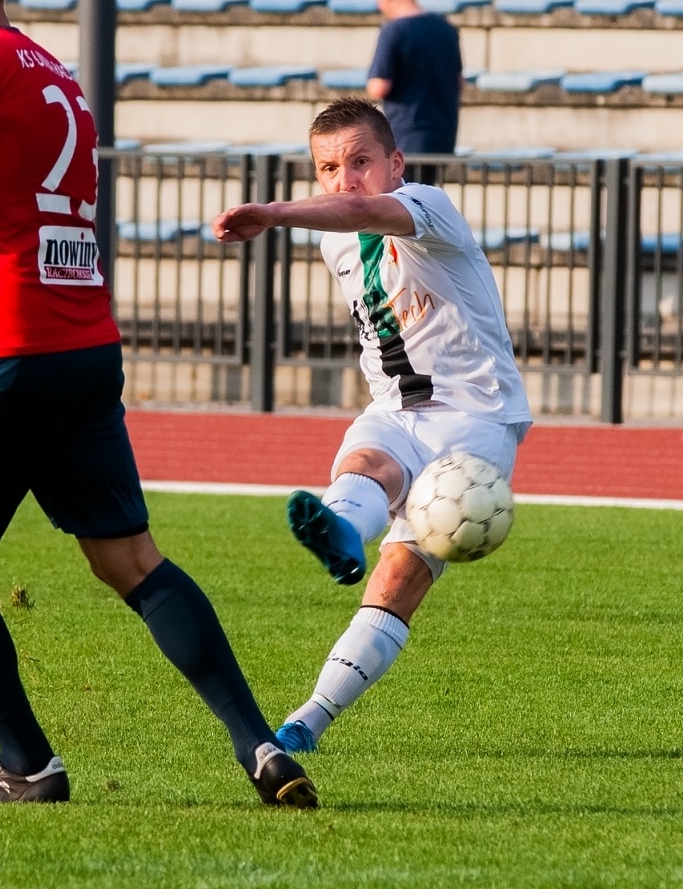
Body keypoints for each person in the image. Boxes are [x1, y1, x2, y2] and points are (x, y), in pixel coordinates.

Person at [0, 0, 316, 808]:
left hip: (9, 345)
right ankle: (260, 743)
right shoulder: (54, 72)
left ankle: (26, 763)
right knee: (129, 558)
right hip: (85, 345)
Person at [210, 96, 531, 753]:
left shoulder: (428, 207)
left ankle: (308, 719)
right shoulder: (334, 241)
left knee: (397, 578)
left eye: (360, 162)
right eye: (329, 168)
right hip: (393, 409)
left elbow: (361, 211)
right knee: (364, 467)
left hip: (476, 417)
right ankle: (340, 534)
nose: (345, 180)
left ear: (396, 164)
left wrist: (272, 213)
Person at [365, 0, 464, 156]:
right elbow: (459, 83)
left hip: (406, 136)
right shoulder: (446, 28)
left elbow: (378, 86)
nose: (379, 6)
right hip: (444, 136)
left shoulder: (393, 31)